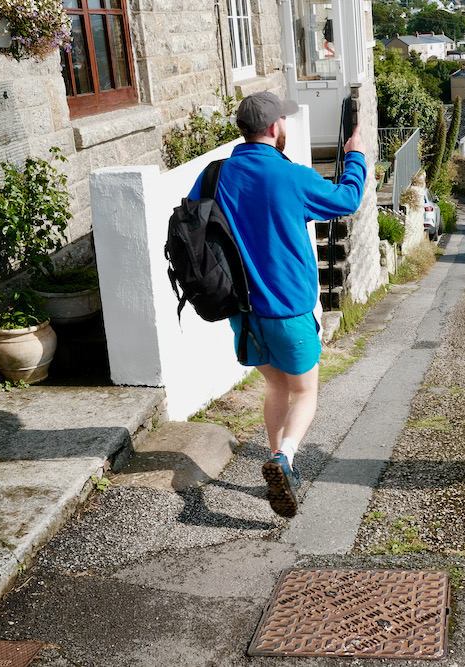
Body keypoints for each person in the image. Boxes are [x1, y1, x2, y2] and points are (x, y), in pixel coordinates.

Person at [188, 91, 366, 518]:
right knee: (305, 392)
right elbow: (347, 200)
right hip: (287, 312)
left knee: (275, 385)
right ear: (274, 128)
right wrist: (355, 156)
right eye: (283, 120)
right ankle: (284, 459)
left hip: (241, 312)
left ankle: (274, 460)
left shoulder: (215, 175)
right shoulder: (291, 176)